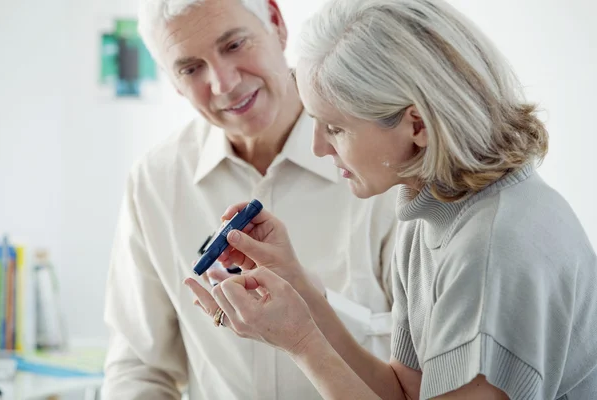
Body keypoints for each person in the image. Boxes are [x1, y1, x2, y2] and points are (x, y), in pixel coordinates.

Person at [184, 0, 597, 399]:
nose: (318, 148)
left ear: (416, 124)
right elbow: (404, 392)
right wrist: (298, 288)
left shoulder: (494, 251)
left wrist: (301, 343)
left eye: (334, 128)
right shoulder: (430, 212)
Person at [100, 0, 399, 399]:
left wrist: (312, 306)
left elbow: (428, 359)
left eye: (234, 45)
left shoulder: (385, 157)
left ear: (276, 22)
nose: (223, 83)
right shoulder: (155, 182)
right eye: (191, 68)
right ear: (173, 82)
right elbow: (139, 365)